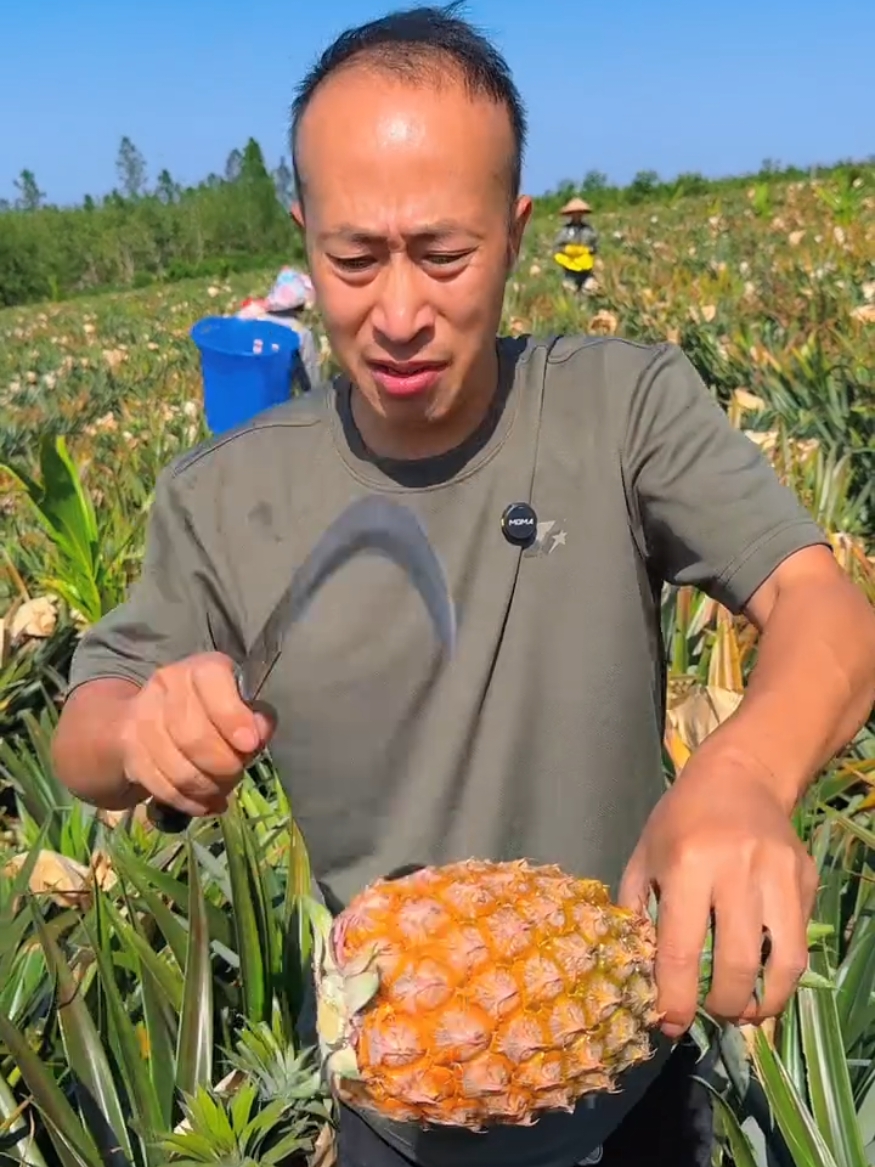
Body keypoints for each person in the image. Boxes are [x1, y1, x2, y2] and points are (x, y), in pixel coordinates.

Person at [51, 6, 875, 1167]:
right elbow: (82, 734)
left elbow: (823, 609)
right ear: (302, 232)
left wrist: (744, 771)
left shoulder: (619, 408)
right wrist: (139, 728)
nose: (396, 315)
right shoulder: (223, 497)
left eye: (445, 254)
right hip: (399, 1114)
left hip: (635, 1071)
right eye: (351, 258)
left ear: (516, 231)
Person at [237, 266, 322, 393]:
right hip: (279, 396)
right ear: (301, 304)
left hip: (246, 386)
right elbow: (310, 374)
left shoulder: (251, 318)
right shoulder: (301, 333)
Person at [552, 197, 599, 293]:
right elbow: (557, 247)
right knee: (569, 291)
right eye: (574, 213)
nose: (577, 215)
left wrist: (587, 250)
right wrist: (569, 250)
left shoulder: (589, 230)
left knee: (590, 289)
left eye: (579, 212)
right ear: (570, 214)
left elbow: (595, 247)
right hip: (570, 267)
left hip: (586, 267)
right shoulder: (564, 230)